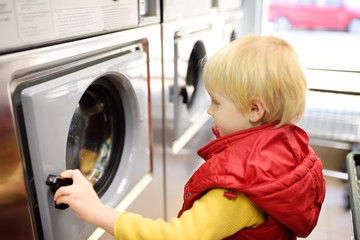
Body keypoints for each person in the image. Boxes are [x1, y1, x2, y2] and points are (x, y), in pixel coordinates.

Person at [54, 35, 326, 239]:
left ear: (255, 110)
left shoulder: (237, 191)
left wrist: (97, 212)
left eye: (217, 102)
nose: (209, 110)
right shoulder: (286, 147)